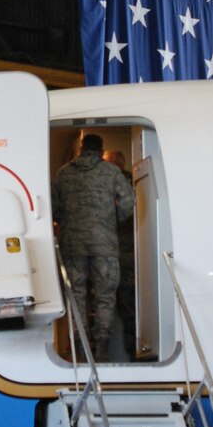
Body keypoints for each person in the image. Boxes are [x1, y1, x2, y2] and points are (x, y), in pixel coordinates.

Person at [53, 132, 133, 357]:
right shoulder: (112, 171)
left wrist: (67, 221)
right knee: (105, 297)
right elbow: (128, 201)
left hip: (72, 245)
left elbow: (55, 207)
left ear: (80, 149)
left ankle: (81, 350)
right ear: (100, 151)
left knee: (77, 297)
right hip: (105, 245)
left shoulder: (64, 173)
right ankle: (102, 351)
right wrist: (111, 221)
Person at [103, 148, 138, 359]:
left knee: (126, 308)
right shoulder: (134, 184)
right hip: (116, 254)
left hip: (123, 255)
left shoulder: (129, 186)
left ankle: (130, 354)